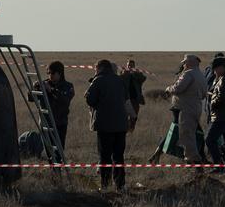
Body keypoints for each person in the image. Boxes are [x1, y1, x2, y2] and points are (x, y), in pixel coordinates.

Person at [84, 60, 131, 191]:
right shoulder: (120, 80)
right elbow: (126, 99)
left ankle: (105, 185)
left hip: (105, 125)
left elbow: (90, 100)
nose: (94, 70)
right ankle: (120, 185)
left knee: (104, 156)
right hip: (121, 125)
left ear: (100, 68)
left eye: (95, 68)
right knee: (119, 155)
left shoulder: (98, 80)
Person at [165, 54, 207, 163]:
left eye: (185, 62)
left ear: (189, 63)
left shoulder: (188, 74)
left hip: (186, 108)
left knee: (187, 135)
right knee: (191, 133)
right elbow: (204, 94)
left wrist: (169, 89)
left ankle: (192, 160)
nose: (183, 65)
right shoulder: (201, 75)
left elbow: (178, 88)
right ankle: (192, 158)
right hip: (196, 107)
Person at [31, 61, 75, 156]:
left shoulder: (68, 86)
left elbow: (65, 100)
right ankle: (53, 169)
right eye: (48, 73)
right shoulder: (44, 84)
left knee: (59, 150)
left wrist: (51, 90)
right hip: (45, 123)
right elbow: (31, 99)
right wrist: (34, 89)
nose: (50, 75)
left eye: (52, 73)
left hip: (60, 123)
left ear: (60, 73)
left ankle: (58, 169)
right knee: (48, 150)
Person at [120, 59, 146, 124]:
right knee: (124, 116)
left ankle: (131, 130)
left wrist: (135, 74)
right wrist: (124, 74)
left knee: (134, 117)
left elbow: (143, 78)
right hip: (125, 99)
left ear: (134, 66)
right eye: (128, 65)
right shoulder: (123, 73)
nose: (129, 67)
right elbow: (119, 80)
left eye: (131, 65)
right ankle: (125, 130)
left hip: (135, 99)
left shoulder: (138, 73)